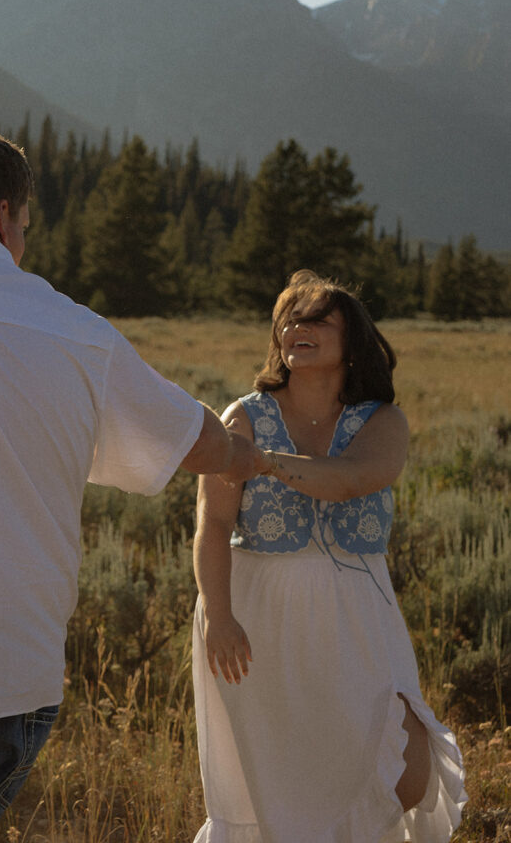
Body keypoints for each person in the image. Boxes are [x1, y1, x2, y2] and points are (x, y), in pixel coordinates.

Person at [0, 126, 269, 843]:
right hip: (17, 691)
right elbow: (198, 442)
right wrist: (248, 457)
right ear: (5, 215)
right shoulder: (77, 332)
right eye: (27, 227)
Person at [192, 270, 467, 843]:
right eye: (291, 319)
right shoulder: (242, 417)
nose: (300, 327)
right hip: (258, 615)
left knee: (408, 771)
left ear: (353, 340)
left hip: (359, 611)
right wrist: (218, 613)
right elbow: (212, 526)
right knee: (284, 777)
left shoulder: (384, 422)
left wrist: (266, 462)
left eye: (318, 319)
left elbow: (350, 480)